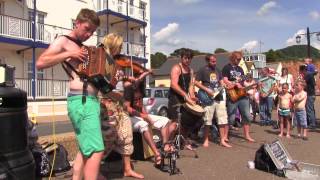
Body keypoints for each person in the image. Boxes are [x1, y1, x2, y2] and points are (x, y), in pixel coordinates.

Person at [36, 9, 104, 180]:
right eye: (87, 29)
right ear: (77, 23)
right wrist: (69, 53)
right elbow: (40, 63)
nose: (89, 34)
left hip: (90, 100)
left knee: (84, 147)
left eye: (93, 32)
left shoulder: (85, 47)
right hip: (81, 101)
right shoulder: (63, 41)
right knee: (96, 150)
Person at [123, 70, 171, 167]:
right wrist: (143, 116)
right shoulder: (128, 88)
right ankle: (156, 153)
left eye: (141, 78)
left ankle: (165, 146)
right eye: (138, 76)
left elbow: (141, 106)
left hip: (139, 115)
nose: (140, 79)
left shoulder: (140, 87)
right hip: (128, 117)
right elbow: (126, 108)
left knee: (165, 121)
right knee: (143, 125)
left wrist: (147, 116)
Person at [100, 96, 144, 179]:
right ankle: (94, 170)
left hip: (117, 102)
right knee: (104, 139)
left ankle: (127, 169)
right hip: (101, 100)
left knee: (126, 134)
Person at [194, 54, 231, 148]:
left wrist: (225, 86)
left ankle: (222, 140)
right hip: (207, 97)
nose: (215, 63)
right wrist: (206, 90)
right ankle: (206, 139)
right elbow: (195, 82)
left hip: (219, 97)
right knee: (207, 119)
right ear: (207, 61)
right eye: (212, 61)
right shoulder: (202, 70)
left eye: (215, 61)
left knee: (222, 119)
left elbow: (221, 82)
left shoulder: (218, 70)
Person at [222, 51, 255, 142]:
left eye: (240, 59)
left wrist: (250, 85)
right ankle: (225, 136)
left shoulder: (240, 69)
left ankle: (247, 135)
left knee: (247, 116)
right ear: (233, 58)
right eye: (238, 59)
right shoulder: (226, 67)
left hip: (242, 95)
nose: (239, 60)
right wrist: (235, 84)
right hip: (233, 95)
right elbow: (225, 80)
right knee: (231, 117)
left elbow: (243, 81)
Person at [167, 49, 198, 144]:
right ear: (181, 58)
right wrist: (185, 95)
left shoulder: (191, 71)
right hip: (174, 98)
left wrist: (192, 96)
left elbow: (191, 86)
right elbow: (173, 85)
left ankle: (183, 142)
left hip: (184, 98)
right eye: (186, 58)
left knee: (185, 122)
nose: (187, 60)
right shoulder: (176, 68)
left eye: (189, 58)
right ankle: (168, 143)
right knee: (174, 121)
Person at [299, 65, 317, 129]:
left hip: (310, 94)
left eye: (300, 71)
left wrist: (300, 80)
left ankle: (312, 124)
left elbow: (304, 84)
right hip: (311, 94)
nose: (300, 72)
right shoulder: (309, 75)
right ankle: (313, 122)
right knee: (311, 109)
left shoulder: (308, 75)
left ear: (303, 70)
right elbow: (313, 84)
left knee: (309, 109)